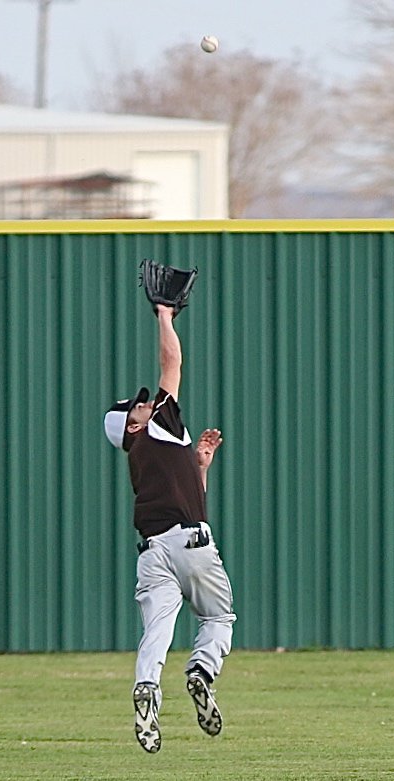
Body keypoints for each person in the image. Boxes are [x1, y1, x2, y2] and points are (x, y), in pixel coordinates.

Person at [103, 304, 236, 753]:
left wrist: (200, 468)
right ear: (132, 426)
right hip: (191, 544)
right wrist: (164, 316)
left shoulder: (144, 459)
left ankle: (146, 687)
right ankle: (201, 673)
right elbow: (173, 363)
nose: (145, 403)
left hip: (153, 551)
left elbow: (186, 498)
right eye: (136, 407)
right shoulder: (156, 429)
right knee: (217, 617)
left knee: (156, 631)